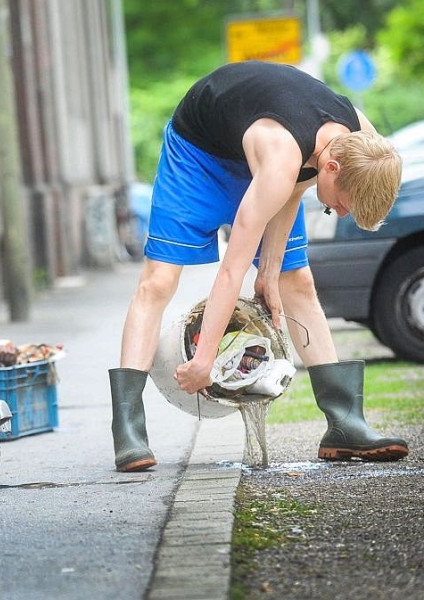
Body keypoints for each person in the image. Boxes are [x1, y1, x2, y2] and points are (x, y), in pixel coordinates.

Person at [111, 61, 409, 472]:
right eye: (342, 203)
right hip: (198, 156)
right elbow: (232, 268)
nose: (338, 213)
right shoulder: (282, 157)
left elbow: (295, 188)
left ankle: (345, 422)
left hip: (265, 152)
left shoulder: (361, 141)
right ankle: (128, 429)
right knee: (158, 281)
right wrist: (204, 360)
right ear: (333, 168)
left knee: (297, 282)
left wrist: (270, 270)